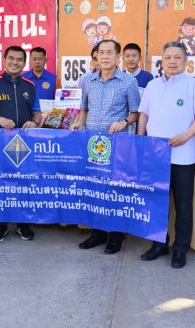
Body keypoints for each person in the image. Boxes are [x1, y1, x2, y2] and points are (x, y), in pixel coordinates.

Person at [137, 41, 195, 268]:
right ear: (162, 60)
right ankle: (159, 244)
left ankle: (180, 248)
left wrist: (187, 135)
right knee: (157, 201)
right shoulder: (152, 85)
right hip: (155, 155)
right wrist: (142, 143)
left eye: (177, 57)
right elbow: (143, 115)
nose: (172, 61)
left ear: (186, 61)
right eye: (168, 57)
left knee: (183, 204)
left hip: (182, 154)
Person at [72, 40, 140, 254]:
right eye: (101, 53)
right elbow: (83, 108)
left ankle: (116, 236)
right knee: (96, 188)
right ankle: (98, 232)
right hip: (93, 145)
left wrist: (124, 122)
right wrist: (79, 123)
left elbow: (136, 112)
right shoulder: (88, 81)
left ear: (118, 57)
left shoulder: (128, 82)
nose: (105, 57)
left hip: (118, 144)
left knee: (115, 189)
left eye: (110, 53)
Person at [0, 46, 42, 243]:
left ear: (24, 62)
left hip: (23, 144)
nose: (15, 62)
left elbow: (37, 113)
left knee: (23, 183)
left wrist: (35, 122)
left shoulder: (29, 85)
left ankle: (22, 223)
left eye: (19, 60)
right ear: (4, 61)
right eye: (11, 59)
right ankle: (1, 225)